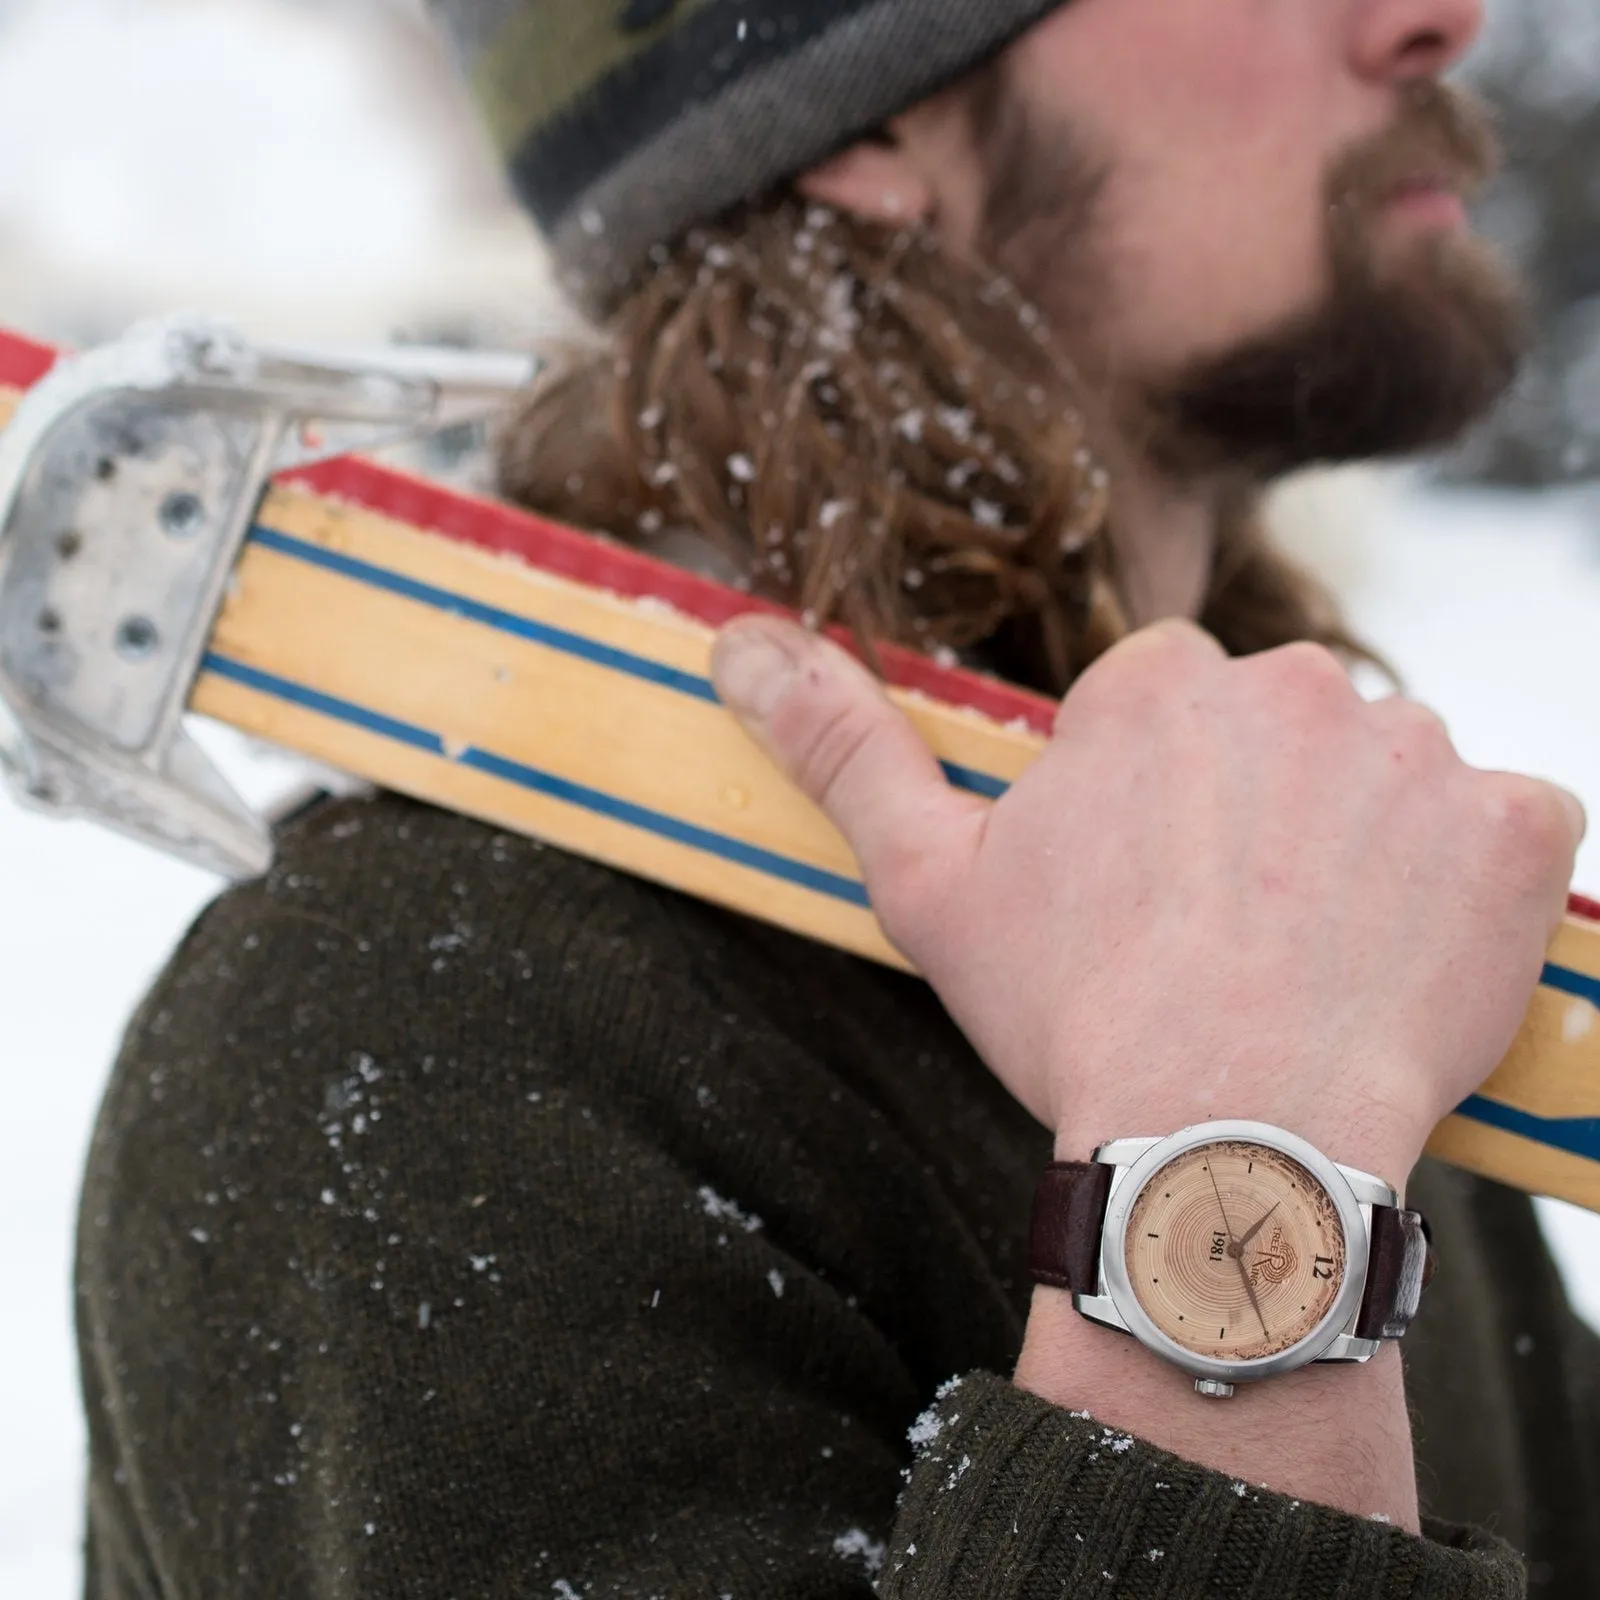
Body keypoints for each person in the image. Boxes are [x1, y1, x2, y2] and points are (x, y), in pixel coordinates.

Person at [74, 0, 1600, 1595]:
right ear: (868, 123)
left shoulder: (1296, 922)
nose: (1439, 19)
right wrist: (1234, 1166)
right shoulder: (416, 1014)